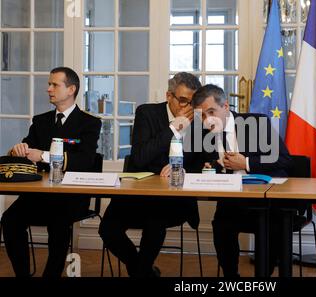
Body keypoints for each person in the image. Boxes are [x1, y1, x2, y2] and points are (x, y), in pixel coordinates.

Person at [188, 84, 303, 277]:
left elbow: (285, 161)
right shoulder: (200, 133)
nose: (208, 120)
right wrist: (207, 168)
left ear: (225, 107)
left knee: (273, 229)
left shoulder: (256, 123)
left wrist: (246, 163)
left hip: (268, 202)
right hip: (231, 202)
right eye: (202, 115)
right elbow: (192, 166)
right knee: (221, 226)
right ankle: (231, 278)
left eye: (211, 112)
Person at [98, 72, 202, 277]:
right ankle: (142, 270)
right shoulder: (147, 113)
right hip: (139, 193)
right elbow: (140, 157)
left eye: (192, 102)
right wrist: (174, 127)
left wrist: (182, 169)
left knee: (155, 221)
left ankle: (141, 272)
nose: (187, 108)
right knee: (108, 228)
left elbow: (200, 163)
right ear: (169, 96)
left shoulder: (198, 122)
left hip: (174, 199)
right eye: (182, 101)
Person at [1, 67, 101, 277]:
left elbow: (85, 160)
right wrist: (18, 149)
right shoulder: (40, 121)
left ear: (71, 89)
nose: (48, 89)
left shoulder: (89, 123)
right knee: (10, 220)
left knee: (59, 224)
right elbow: (28, 148)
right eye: (49, 84)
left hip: (71, 196)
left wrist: (44, 156)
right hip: (40, 194)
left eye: (54, 85)